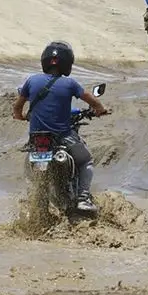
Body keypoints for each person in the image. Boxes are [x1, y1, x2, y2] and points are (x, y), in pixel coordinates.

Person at [12, 41, 108, 213]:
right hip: (62, 135)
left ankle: (33, 197)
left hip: (37, 138)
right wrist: (100, 109)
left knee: (29, 165)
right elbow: (90, 98)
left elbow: (17, 107)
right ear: (67, 63)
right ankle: (83, 198)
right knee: (86, 161)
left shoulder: (31, 81)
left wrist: (21, 116)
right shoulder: (70, 83)